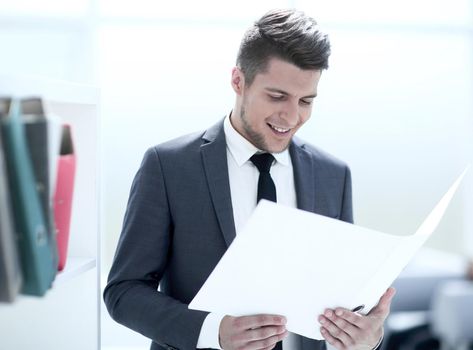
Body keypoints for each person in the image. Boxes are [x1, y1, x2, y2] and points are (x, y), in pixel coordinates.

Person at [104, 8, 395, 350]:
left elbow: (344, 298)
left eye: (306, 101)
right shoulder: (168, 166)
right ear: (238, 81)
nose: (292, 116)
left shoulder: (334, 176)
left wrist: (367, 336)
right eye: (277, 97)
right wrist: (213, 331)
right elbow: (124, 292)